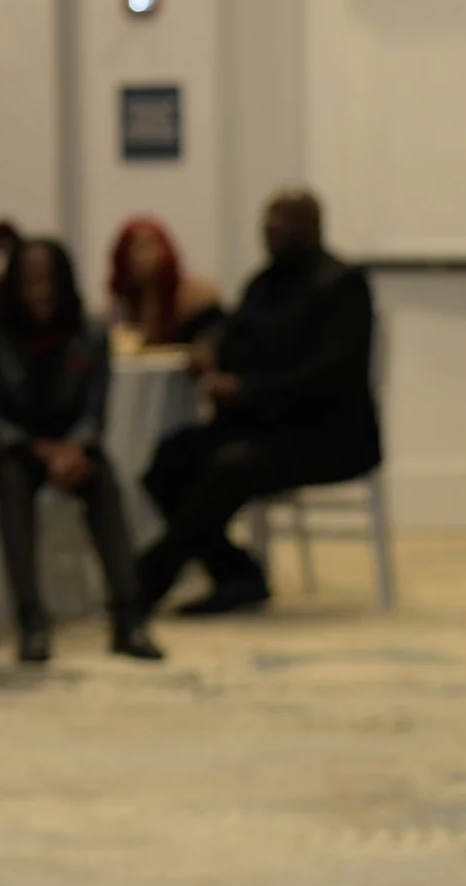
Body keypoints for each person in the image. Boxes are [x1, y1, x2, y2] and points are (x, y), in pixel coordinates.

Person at [133, 189, 381, 619]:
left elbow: (328, 375)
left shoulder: (341, 286)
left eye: (282, 226)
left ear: (311, 228)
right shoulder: (264, 283)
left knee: (232, 466)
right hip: (261, 425)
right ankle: (237, 574)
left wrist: (247, 392)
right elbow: (235, 336)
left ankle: (147, 579)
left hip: (328, 434)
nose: (271, 235)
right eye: (267, 226)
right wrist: (210, 350)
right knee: (170, 460)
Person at [0, 238, 163, 664]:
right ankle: (32, 620)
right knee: (12, 483)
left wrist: (73, 448)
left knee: (104, 481)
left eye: (49, 280)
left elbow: (96, 408)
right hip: (13, 449)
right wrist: (39, 450)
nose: (41, 291)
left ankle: (129, 619)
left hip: (73, 445)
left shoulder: (89, 332)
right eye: (31, 280)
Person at [108, 216, 227, 346]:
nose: (141, 256)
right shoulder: (122, 300)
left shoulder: (194, 294)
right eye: (134, 248)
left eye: (149, 246)